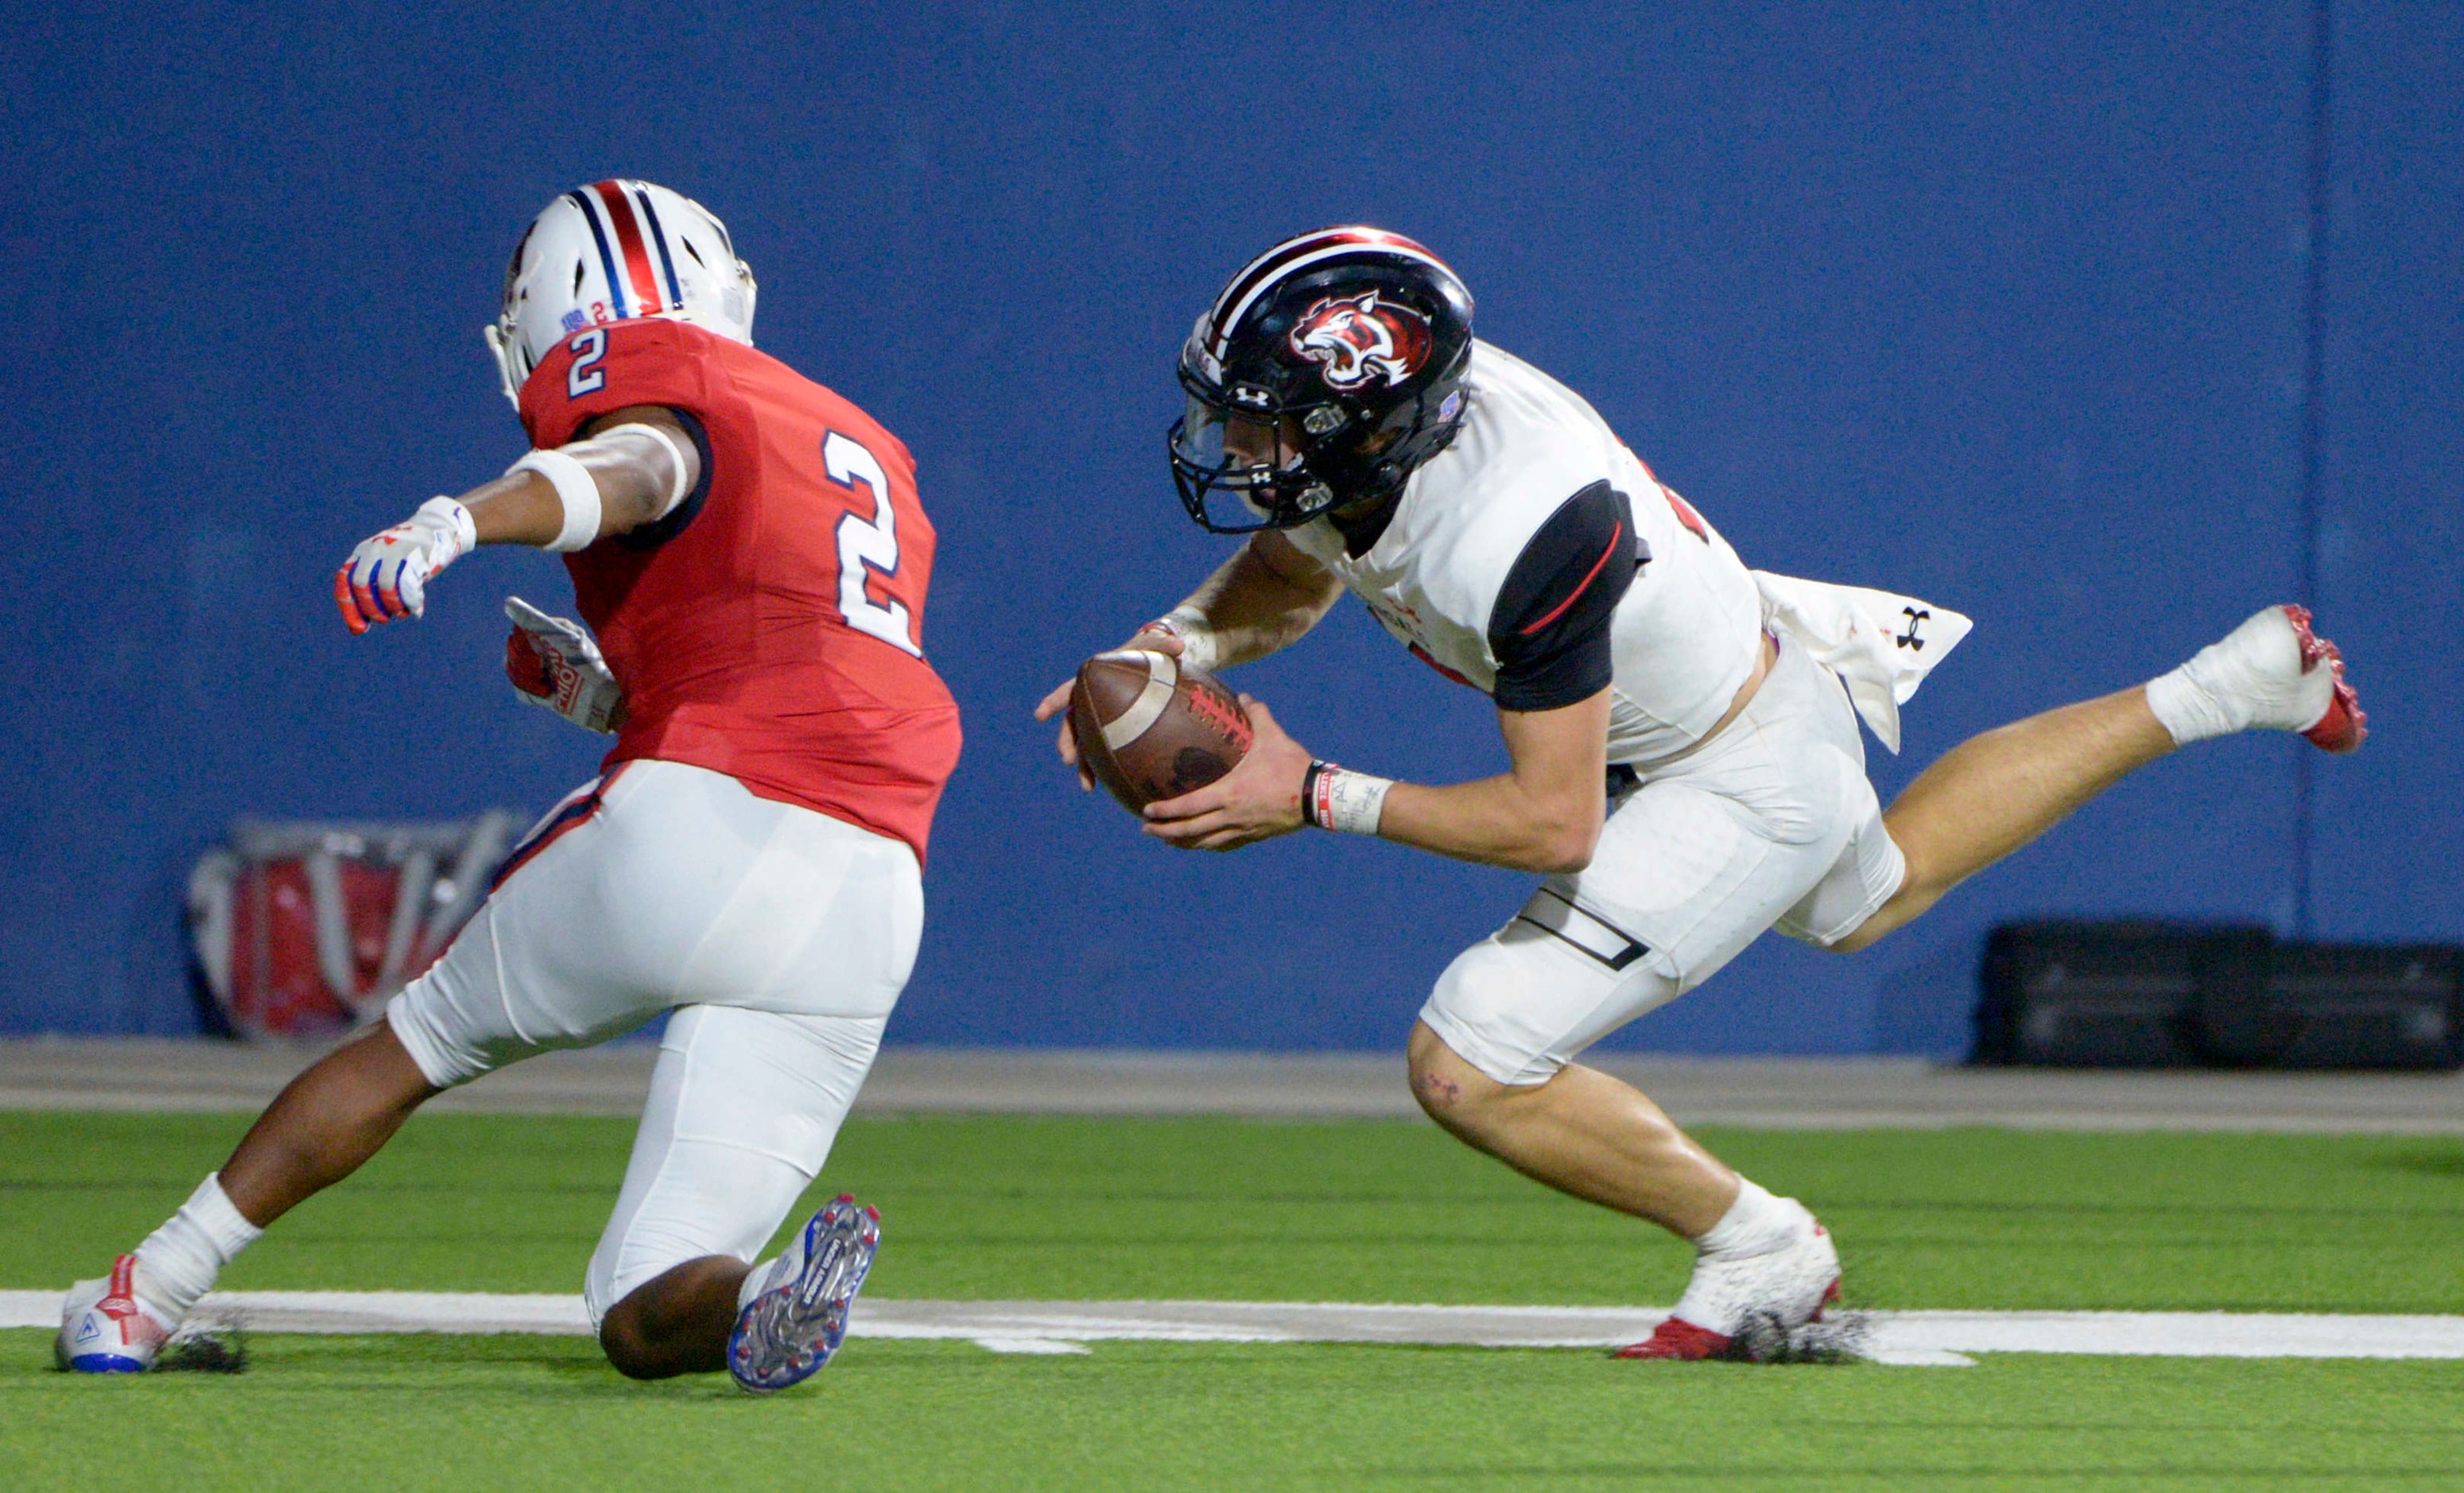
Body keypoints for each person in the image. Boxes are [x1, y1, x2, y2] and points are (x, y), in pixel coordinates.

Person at [1035, 226, 2364, 1360]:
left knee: (1472, 1057)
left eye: (1261, 416)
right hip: (1715, 682)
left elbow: (1552, 825)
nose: (1234, 440)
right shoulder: (1397, 437)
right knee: (1871, 895)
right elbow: (1298, 559)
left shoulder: (1520, 527)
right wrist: (1179, 644)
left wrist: (1311, 791)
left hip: (1724, 763)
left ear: (1362, 421)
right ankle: (2227, 684)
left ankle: (1764, 1249)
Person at [61, 180, 962, 1392]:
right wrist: (609, 692)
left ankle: (148, 1290)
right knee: (645, 1307)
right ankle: (758, 1296)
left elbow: (638, 468)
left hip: (698, 834)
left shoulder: (656, 392)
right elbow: (793, 650)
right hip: (869, 894)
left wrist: (458, 520)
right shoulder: (870, 451)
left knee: (414, 1043)